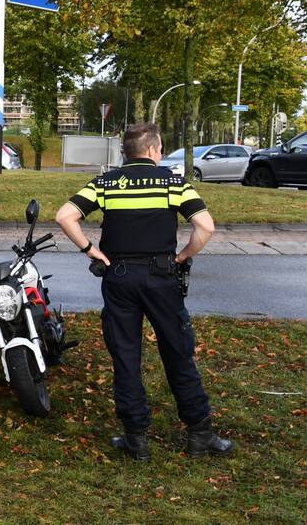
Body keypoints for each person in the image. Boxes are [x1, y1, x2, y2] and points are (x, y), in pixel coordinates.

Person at [55, 122, 234, 460]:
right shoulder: (173, 182)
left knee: (125, 357)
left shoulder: (106, 182)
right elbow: (205, 226)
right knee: (178, 353)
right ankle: (200, 434)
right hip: (162, 278)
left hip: (118, 278)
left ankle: (136, 440)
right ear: (153, 150)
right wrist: (182, 256)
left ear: (127, 152)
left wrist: (89, 250)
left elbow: (65, 216)